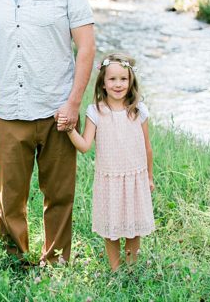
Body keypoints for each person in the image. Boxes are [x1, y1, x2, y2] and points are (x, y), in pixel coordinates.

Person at [0, 0, 96, 265]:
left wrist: (74, 103)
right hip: (8, 110)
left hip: (56, 110)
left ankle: (57, 263)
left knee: (60, 194)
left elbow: (87, 46)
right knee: (10, 196)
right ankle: (14, 261)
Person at [60, 53, 154, 271]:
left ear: (131, 81)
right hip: (110, 179)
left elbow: (147, 147)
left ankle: (131, 269)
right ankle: (115, 270)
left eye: (123, 79)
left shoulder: (139, 110)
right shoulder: (96, 111)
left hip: (134, 177)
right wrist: (69, 130)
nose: (118, 84)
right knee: (112, 227)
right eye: (112, 79)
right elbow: (84, 146)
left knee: (133, 227)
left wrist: (149, 176)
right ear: (103, 82)